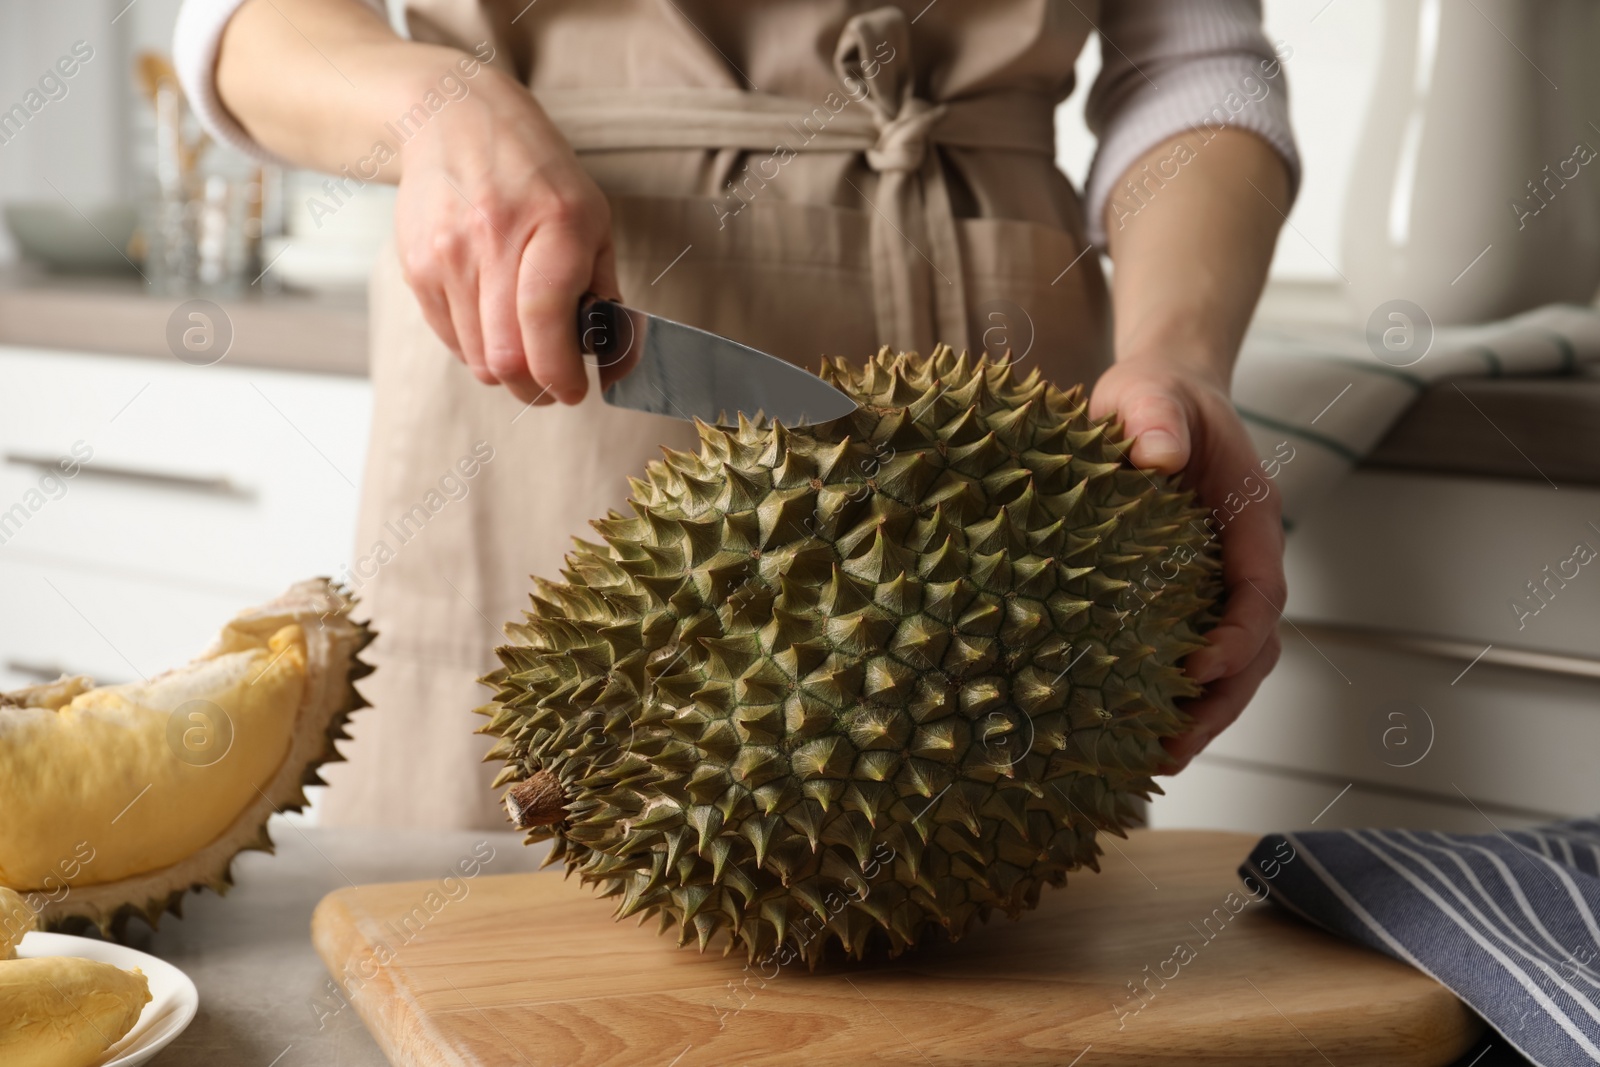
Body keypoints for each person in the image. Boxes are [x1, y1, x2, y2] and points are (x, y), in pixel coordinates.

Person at [176, 0, 1298, 829]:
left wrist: (1178, 355)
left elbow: (1196, 63)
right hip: (555, 328)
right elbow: (237, 25)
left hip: (1001, 393)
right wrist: (431, 106)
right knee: (498, 935)